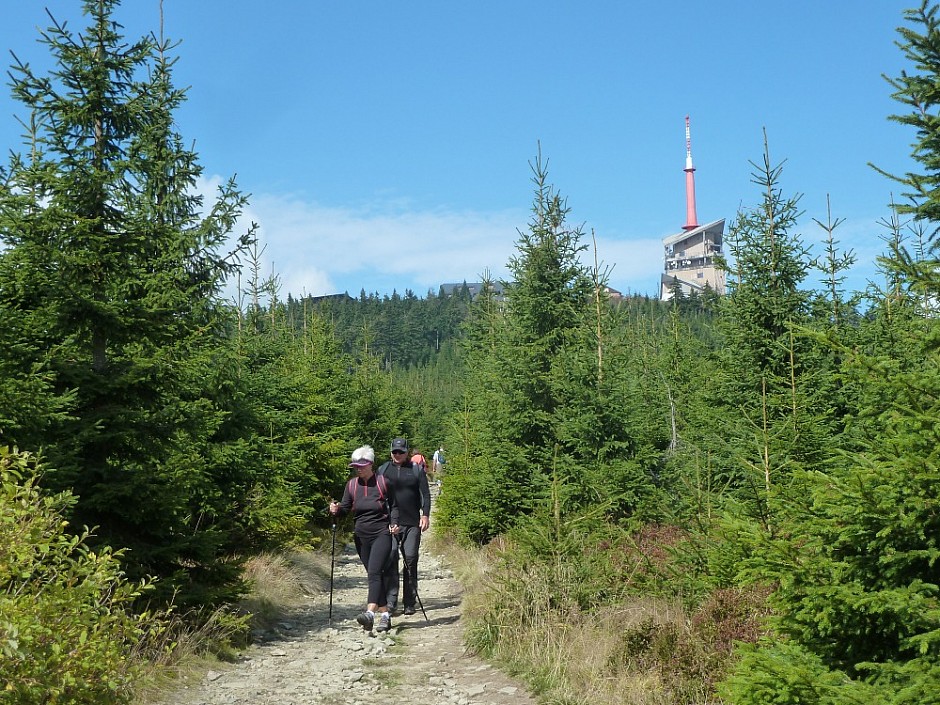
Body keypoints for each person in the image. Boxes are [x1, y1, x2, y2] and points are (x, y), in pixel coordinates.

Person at [329, 445, 400, 633]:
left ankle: (370, 613)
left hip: (382, 534)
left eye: (362, 465)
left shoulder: (383, 482)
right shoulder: (352, 485)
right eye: (356, 466)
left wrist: (394, 523)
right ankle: (385, 616)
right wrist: (336, 510)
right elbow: (345, 508)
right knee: (375, 575)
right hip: (361, 536)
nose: (359, 469)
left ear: (371, 464)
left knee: (374, 572)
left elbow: (394, 506)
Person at [377, 437, 430, 616]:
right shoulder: (383, 470)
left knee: (410, 558)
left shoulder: (415, 470)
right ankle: (390, 602)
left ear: (407, 452)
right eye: (395, 452)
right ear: (391, 452)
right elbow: (377, 496)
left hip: (412, 522)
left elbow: (425, 495)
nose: (397, 454)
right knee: (390, 559)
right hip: (389, 524)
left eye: (401, 451)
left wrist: (425, 515)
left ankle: (409, 602)